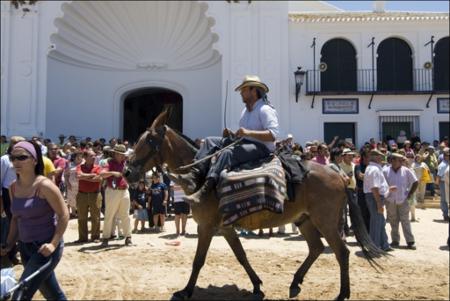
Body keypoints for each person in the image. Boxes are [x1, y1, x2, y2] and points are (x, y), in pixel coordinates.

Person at [181, 75, 279, 204]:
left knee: (228, 153)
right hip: (245, 144)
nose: (241, 93)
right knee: (210, 141)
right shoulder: (245, 112)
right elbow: (243, 135)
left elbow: (273, 135)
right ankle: (194, 173)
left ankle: (204, 191)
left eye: (244, 90)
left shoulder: (265, 109)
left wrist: (248, 132)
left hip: (262, 149)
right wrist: (232, 135)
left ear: (254, 91)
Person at [0, 140, 69, 300]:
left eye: (22, 157)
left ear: (35, 160)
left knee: (21, 294)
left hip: (45, 249)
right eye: (13, 158)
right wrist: (9, 244)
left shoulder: (45, 186)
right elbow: (16, 219)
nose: (16, 162)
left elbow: (64, 215)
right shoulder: (13, 187)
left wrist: (53, 244)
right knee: (52, 293)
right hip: (25, 248)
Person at [363, 149, 396, 251]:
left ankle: (383, 244)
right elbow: (374, 188)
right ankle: (375, 246)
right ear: (376, 157)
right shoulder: (374, 169)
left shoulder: (373, 168)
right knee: (377, 222)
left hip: (374, 196)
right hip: (375, 197)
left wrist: (387, 189)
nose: (382, 158)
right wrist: (379, 203)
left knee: (380, 221)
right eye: (381, 156)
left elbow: (375, 187)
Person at [383, 153, 418, 250]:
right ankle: (395, 240)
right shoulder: (385, 171)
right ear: (393, 160)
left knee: (405, 220)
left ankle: (410, 241)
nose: (402, 162)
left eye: (402, 160)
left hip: (403, 199)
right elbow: (382, 184)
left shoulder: (406, 171)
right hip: (390, 200)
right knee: (393, 221)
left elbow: (415, 182)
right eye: (399, 160)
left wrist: (410, 194)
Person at [100, 144, 132, 246]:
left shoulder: (125, 162)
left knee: (125, 215)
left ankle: (128, 237)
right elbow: (102, 174)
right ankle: (105, 237)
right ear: (116, 154)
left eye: (123, 154)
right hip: (113, 191)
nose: (123, 156)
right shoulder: (108, 162)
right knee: (109, 215)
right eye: (121, 154)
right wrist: (113, 173)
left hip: (124, 190)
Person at [1, 136, 26, 265]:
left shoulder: (26, 159)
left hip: (22, 193)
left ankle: (19, 252)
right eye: (15, 144)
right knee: (11, 225)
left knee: (23, 223)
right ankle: (9, 255)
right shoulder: (5, 160)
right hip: (7, 194)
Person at [76, 149, 102, 243]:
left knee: (96, 217)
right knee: (82, 217)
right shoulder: (80, 166)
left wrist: (84, 177)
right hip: (82, 194)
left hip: (95, 194)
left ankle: (95, 237)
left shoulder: (98, 167)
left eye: (94, 155)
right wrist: (92, 175)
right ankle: (83, 238)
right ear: (85, 158)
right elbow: (79, 176)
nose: (94, 157)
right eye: (91, 156)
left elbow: (99, 179)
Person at [436, 148, 449, 221]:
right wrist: (437, 186)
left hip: (447, 182)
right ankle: (445, 215)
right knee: (444, 200)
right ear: (444, 156)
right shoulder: (443, 165)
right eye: (448, 155)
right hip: (444, 183)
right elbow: (438, 176)